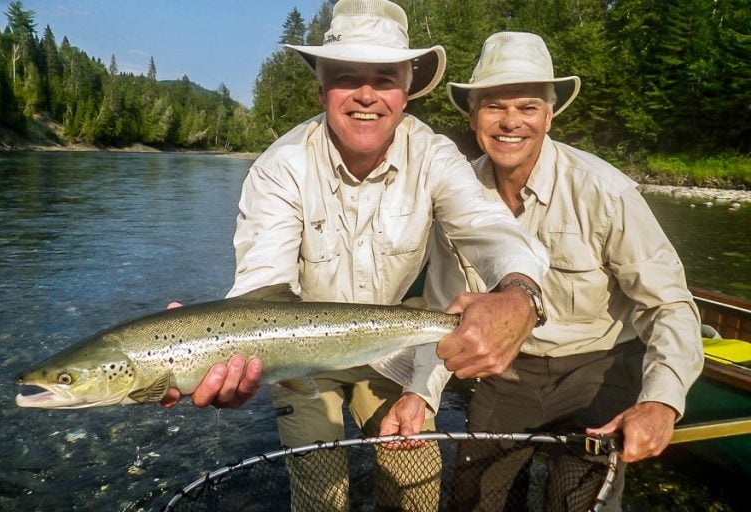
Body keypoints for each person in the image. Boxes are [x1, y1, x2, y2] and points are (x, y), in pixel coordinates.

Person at [163, 4, 548, 511]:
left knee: (415, 485)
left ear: (406, 91)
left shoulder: (433, 156)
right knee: (320, 492)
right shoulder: (281, 168)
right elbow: (261, 282)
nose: (367, 95)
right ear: (322, 90)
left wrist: (519, 293)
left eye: (384, 79)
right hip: (298, 354)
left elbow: (491, 228)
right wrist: (220, 343)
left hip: (395, 341)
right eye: (347, 78)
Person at [427, 31, 704, 510]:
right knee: (476, 499)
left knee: (575, 501)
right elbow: (440, 307)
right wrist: (422, 395)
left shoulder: (606, 192)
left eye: (527, 107)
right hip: (506, 374)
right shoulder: (455, 196)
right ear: (472, 117)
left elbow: (671, 306)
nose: (511, 122)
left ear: (550, 115)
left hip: (597, 370)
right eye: (494, 106)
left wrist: (660, 401)